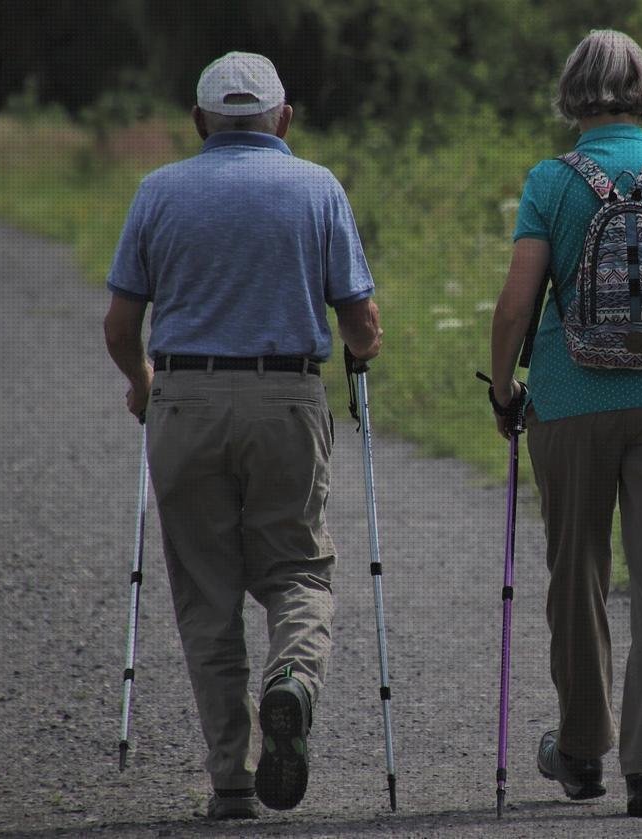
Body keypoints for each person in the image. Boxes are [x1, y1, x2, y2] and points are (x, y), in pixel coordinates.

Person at [103, 51, 382, 820]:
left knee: (206, 593)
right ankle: (291, 679)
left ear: (199, 122)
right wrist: (363, 352)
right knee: (298, 569)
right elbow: (360, 322)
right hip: (287, 397)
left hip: (184, 400)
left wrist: (142, 384)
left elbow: (121, 325)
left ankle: (231, 775)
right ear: (282, 118)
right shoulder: (316, 186)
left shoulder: (158, 191)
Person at [487, 30, 642, 818]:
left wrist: (505, 390)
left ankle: (580, 753)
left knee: (578, 575)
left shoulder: (550, 182)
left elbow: (518, 304)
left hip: (570, 400)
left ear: (573, 93)